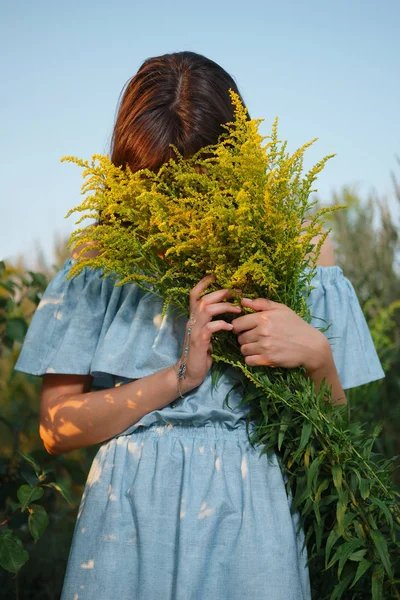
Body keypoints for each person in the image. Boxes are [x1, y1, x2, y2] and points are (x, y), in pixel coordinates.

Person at [14, 51, 385, 600]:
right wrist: (177, 379)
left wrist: (316, 354)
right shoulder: (97, 259)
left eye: (203, 179)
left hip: (254, 524)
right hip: (128, 522)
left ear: (237, 157)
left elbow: (334, 433)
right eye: (161, 184)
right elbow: (56, 429)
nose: (182, 203)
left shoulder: (303, 249)